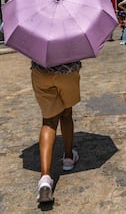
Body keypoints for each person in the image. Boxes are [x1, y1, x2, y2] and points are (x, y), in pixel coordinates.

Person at [32, 60, 81, 203]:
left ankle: (45, 178)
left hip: (41, 72)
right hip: (67, 71)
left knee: (49, 122)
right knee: (66, 115)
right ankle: (68, 157)